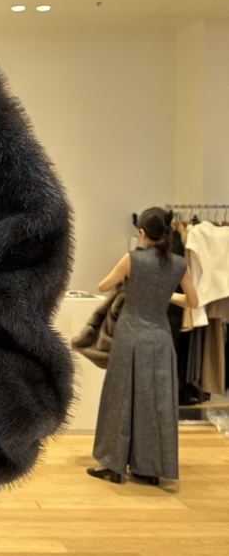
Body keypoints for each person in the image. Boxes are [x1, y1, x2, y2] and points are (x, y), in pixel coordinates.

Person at [88, 207, 198, 485]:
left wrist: (132, 284)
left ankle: (113, 466)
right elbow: (193, 302)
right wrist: (165, 295)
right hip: (160, 339)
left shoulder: (132, 259)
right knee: (155, 403)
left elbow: (103, 286)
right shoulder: (179, 264)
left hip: (130, 335)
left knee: (120, 398)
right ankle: (149, 469)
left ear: (142, 233)